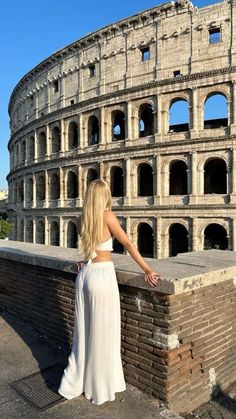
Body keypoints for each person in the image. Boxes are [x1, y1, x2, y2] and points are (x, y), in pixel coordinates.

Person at [58, 179, 162, 405]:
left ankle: (79, 380)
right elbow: (128, 244)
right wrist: (147, 269)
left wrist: (83, 261)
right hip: (102, 276)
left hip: (84, 275)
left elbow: (88, 248)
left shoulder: (82, 216)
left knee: (84, 333)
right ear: (105, 195)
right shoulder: (108, 217)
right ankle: (100, 387)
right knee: (103, 333)